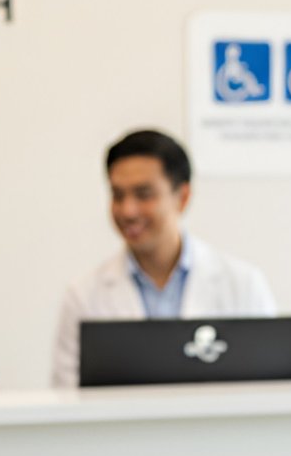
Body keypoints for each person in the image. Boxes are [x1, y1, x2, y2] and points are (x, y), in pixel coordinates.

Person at [51, 128, 275, 387]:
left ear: (183, 197)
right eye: (118, 195)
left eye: (143, 194)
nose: (128, 210)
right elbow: (67, 397)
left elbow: (266, 389)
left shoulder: (242, 284)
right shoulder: (84, 295)